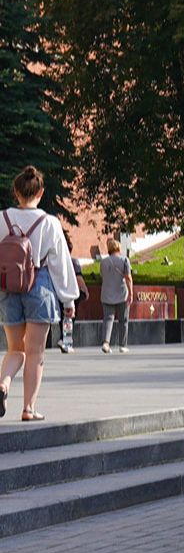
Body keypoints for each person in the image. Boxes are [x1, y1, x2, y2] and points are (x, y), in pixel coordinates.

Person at [1, 166, 79, 421]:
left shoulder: (1, 218)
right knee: (35, 352)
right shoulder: (50, 223)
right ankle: (28, 409)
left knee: (15, 350)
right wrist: (68, 299)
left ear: (16, 191)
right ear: (41, 192)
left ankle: (2, 385)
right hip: (40, 286)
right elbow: (60, 264)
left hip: (8, 288)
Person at [98, 240, 134, 353]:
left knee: (108, 319)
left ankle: (105, 343)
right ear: (119, 248)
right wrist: (131, 293)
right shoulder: (124, 260)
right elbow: (128, 277)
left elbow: (102, 276)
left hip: (107, 293)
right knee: (123, 320)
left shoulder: (103, 262)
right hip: (121, 293)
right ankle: (123, 345)